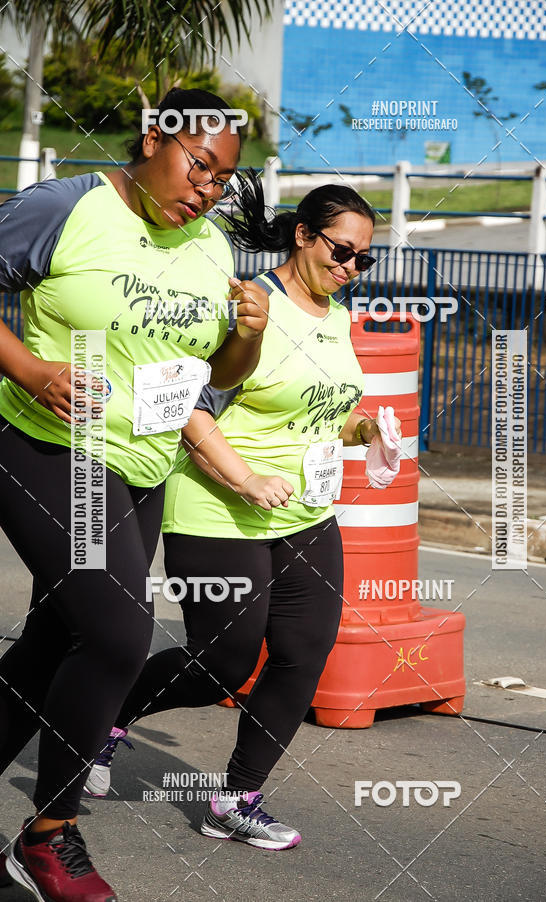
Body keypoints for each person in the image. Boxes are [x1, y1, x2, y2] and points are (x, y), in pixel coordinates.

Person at [0, 88, 269, 901]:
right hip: (57, 451)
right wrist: (31, 368)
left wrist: (247, 339)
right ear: (153, 137)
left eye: (223, 179)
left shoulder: (213, 248)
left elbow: (211, 381)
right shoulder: (68, 206)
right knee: (120, 634)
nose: (207, 188)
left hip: (143, 470)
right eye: (199, 166)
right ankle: (50, 836)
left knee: (49, 648)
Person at [86, 180, 401, 850]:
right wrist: (245, 478)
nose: (350, 268)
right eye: (342, 251)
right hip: (218, 506)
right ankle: (103, 716)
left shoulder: (336, 316)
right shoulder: (251, 304)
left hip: (304, 510)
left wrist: (363, 427)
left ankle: (237, 799)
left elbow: (319, 405)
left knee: (302, 651)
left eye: (363, 261)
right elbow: (194, 408)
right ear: (303, 236)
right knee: (225, 663)